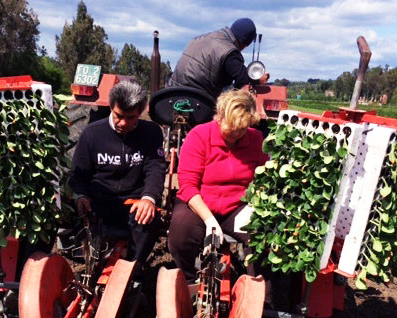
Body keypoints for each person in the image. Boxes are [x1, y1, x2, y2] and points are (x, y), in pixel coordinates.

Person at [167, 89, 267, 281]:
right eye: (233, 128)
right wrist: (209, 220)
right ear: (219, 117)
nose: (237, 134)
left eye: (242, 129)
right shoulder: (199, 136)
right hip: (199, 204)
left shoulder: (255, 139)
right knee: (181, 233)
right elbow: (187, 185)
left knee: (261, 235)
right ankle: (188, 279)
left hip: (237, 206)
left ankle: (258, 292)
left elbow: (263, 177)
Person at [68, 80, 166, 271]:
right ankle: (93, 266)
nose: (123, 123)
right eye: (118, 116)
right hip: (100, 202)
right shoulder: (91, 134)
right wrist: (80, 195)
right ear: (112, 107)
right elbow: (78, 174)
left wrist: (149, 198)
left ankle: (134, 270)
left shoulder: (151, 133)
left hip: (134, 203)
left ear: (140, 113)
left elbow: (155, 168)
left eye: (131, 118)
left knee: (150, 220)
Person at [168, 18, 270, 100]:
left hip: (170, 95)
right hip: (198, 100)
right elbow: (242, 79)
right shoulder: (229, 51)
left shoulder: (200, 38)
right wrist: (258, 81)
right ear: (244, 44)